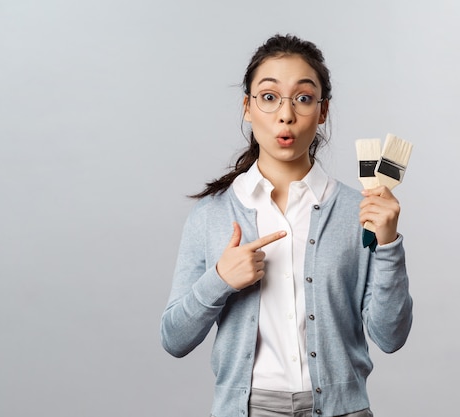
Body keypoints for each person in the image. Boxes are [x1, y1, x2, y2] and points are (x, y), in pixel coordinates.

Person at [161, 34, 413, 417]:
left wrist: (389, 243)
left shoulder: (355, 211)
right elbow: (173, 339)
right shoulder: (211, 215)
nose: (286, 115)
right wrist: (220, 280)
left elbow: (390, 337)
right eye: (268, 96)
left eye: (304, 98)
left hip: (341, 410)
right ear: (247, 106)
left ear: (323, 111)